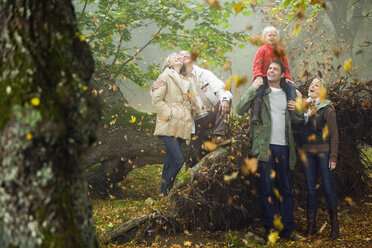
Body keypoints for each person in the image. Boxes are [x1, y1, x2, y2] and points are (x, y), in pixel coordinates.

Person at [236, 60, 301, 241]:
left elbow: (302, 117)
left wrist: (299, 105)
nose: (270, 71)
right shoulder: (260, 92)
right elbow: (239, 109)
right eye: (269, 68)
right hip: (265, 149)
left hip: (285, 149)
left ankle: (289, 230)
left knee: (286, 191)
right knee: (267, 191)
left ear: (282, 74)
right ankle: (271, 230)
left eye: (275, 69)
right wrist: (252, 87)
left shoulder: (289, 94)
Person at [153, 51, 232, 168]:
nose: (184, 55)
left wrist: (224, 99)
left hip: (212, 113)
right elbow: (163, 90)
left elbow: (221, 87)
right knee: (194, 154)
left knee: (226, 99)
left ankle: (218, 136)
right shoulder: (179, 77)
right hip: (196, 120)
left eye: (187, 53)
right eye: (181, 54)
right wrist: (153, 87)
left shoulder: (204, 73)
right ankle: (188, 175)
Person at [298, 78, 340, 239]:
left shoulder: (327, 109)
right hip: (308, 154)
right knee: (310, 189)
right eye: (311, 84)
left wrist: (333, 157)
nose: (312, 86)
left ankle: (335, 227)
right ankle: (311, 227)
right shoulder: (306, 108)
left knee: (328, 188)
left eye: (316, 85)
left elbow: (334, 134)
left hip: (324, 153)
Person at [152, 53, 193, 197]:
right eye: (173, 56)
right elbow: (156, 100)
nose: (177, 57)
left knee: (170, 161)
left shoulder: (184, 80)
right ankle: (168, 191)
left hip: (181, 125)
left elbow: (187, 103)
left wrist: (187, 110)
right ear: (168, 62)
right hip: (169, 123)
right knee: (178, 160)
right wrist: (169, 114)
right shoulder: (164, 77)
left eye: (178, 56)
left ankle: (163, 194)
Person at [251, 26, 299, 125]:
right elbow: (256, 65)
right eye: (269, 35)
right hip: (263, 76)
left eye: (274, 35)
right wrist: (258, 76)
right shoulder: (262, 50)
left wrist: (286, 77)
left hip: (278, 77)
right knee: (260, 89)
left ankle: (292, 114)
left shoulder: (281, 51)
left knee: (290, 87)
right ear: (265, 37)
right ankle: (256, 114)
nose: (272, 37)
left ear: (277, 37)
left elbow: (285, 66)